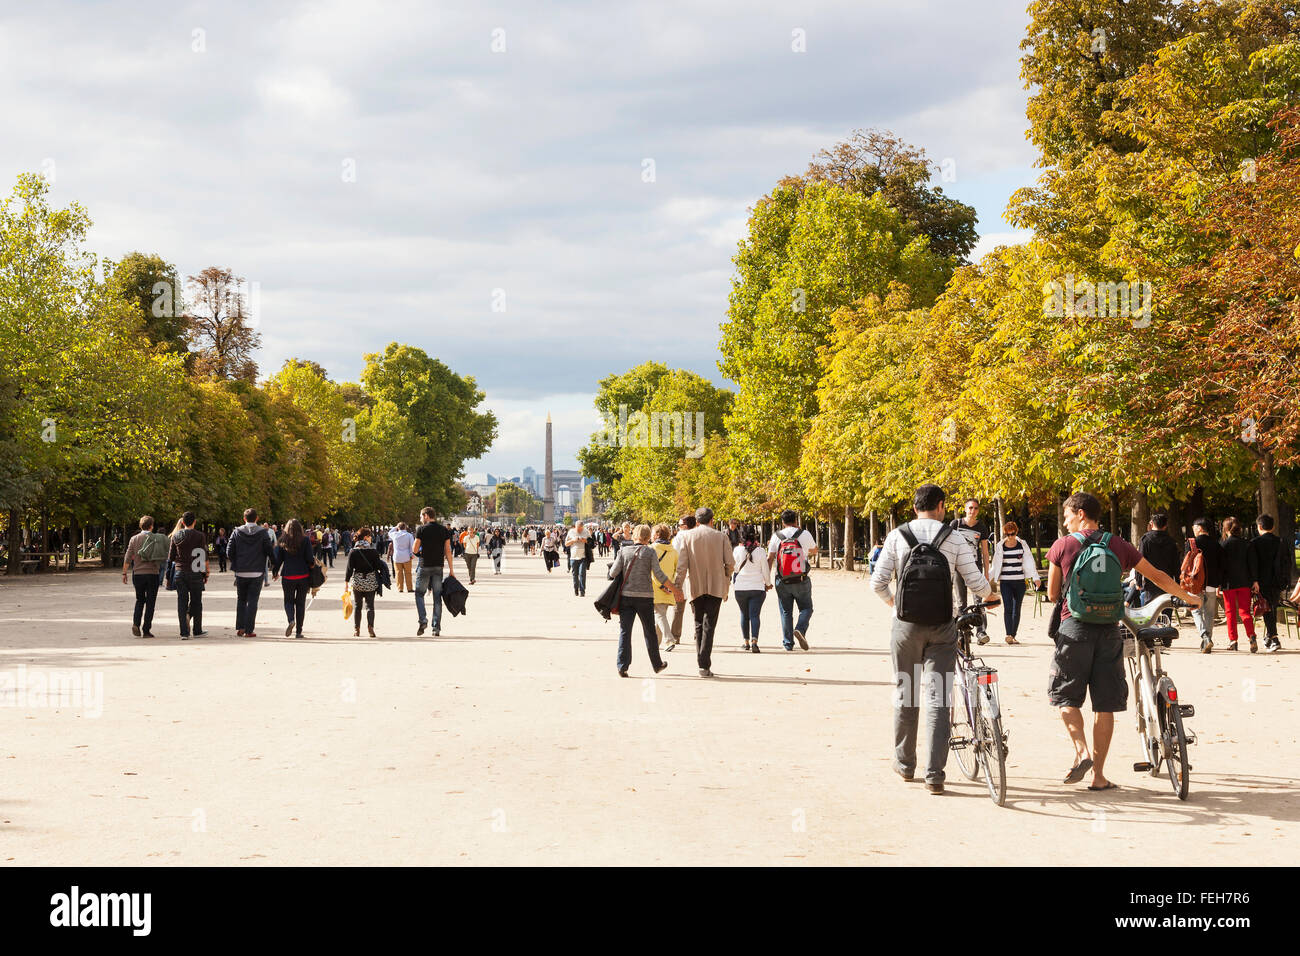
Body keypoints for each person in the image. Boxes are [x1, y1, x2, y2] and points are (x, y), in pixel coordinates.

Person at [1045, 492, 1200, 791]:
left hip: (1074, 629)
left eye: (1067, 516)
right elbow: (1156, 576)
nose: (1065, 522)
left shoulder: (1063, 545)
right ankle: (1099, 776)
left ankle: (1082, 753)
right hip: (1108, 629)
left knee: (1065, 697)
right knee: (1105, 704)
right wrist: (1187, 597)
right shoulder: (1118, 545)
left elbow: (1053, 594)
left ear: (1079, 513)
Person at [870, 484, 994, 795]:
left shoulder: (898, 536)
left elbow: (878, 582)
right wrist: (991, 595)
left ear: (914, 508)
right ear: (941, 506)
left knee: (907, 692)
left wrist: (895, 605)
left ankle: (905, 763)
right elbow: (975, 582)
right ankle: (935, 774)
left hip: (906, 627)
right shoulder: (952, 537)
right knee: (939, 700)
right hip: (942, 626)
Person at [607, 524, 683, 677]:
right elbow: (659, 575)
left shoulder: (623, 551)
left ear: (634, 536)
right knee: (649, 632)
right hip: (645, 597)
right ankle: (657, 664)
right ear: (649, 538)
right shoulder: (650, 552)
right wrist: (675, 590)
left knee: (625, 632)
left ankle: (622, 666)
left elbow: (613, 573)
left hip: (626, 597)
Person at [672, 507, 735, 678]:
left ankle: (702, 662)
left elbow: (682, 566)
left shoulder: (686, 537)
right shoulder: (721, 537)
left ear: (697, 521)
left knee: (698, 623)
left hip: (696, 585)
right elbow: (730, 563)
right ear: (712, 520)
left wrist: (677, 586)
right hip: (716, 586)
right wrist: (726, 578)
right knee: (710, 625)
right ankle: (704, 663)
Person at [767, 510, 818, 651]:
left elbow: (770, 558)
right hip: (801, 578)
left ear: (782, 522)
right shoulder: (805, 534)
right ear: (796, 520)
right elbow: (814, 550)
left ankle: (788, 644)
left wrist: (766, 580)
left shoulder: (776, 536)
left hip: (782, 579)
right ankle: (800, 628)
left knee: (785, 611)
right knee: (807, 608)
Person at [988, 521, 1041, 645]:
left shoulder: (1022, 545)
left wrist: (1035, 577)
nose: (1010, 536)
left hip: (1019, 581)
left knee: (1017, 609)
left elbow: (1029, 562)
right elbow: (995, 565)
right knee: (1008, 608)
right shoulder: (1000, 546)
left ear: (1016, 532)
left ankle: (1013, 635)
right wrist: (986, 578)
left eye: (1012, 534)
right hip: (1006, 582)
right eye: (1008, 534)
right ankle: (1008, 634)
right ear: (1005, 534)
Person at [949, 498, 992, 644]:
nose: (972, 511)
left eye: (975, 508)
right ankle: (962, 633)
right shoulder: (956, 524)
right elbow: (949, 546)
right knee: (961, 602)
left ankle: (981, 632)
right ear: (965, 509)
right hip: (958, 568)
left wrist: (986, 573)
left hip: (974, 568)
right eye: (970, 508)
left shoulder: (981, 527)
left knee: (979, 601)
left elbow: (985, 553)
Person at [227, 507, 275, 638]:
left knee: (241, 600)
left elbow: (229, 551)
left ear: (244, 519)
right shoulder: (263, 532)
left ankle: (240, 627)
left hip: (241, 571)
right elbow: (269, 550)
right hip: (257, 572)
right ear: (257, 518)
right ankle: (249, 630)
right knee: (253, 600)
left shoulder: (236, 532)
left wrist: (236, 563)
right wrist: (274, 565)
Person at [1250, 515, 1291, 652]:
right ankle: (1269, 637)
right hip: (1277, 580)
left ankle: (1274, 638)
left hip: (1261, 581)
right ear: (1273, 527)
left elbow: (1253, 563)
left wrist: (1254, 580)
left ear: (1259, 527)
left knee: (1267, 609)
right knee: (1270, 608)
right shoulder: (1281, 541)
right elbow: (1287, 562)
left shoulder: (1255, 542)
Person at [272, 518, 317, 639]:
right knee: (300, 604)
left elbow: (278, 560)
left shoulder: (282, 540)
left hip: (288, 575)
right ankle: (299, 631)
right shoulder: (305, 540)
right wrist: (313, 565)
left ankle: (291, 619)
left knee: (288, 601)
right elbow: (309, 559)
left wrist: (275, 572)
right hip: (303, 576)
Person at [413, 507, 455, 637]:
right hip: (438, 566)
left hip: (425, 565)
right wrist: (451, 569)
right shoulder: (444, 530)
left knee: (419, 594)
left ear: (426, 515)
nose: (420, 519)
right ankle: (436, 627)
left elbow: (414, 549)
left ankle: (423, 620)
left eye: (421, 516)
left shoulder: (421, 529)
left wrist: (420, 553)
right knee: (437, 597)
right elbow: (448, 551)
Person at [168, 511, 210, 640]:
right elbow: (202, 555)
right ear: (195, 522)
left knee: (182, 601)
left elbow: (171, 557)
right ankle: (197, 629)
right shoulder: (199, 535)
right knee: (197, 601)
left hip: (180, 572)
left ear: (183, 522)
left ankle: (184, 633)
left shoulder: (176, 536)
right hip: (195, 570)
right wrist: (206, 572)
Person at [122, 515, 166, 638]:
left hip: (138, 574)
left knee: (139, 600)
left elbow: (127, 557)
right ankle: (146, 629)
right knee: (151, 602)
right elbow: (163, 556)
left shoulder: (134, 539)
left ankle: (136, 623)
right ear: (152, 526)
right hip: (152, 574)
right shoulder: (157, 539)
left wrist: (124, 572)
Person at [1219, 517, 1257, 652]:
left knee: (1230, 613)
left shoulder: (1223, 545)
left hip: (1229, 583)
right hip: (1245, 582)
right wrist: (1255, 581)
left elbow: (1221, 567)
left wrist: (1219, 584)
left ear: (1226, 528)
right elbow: (1252, 564)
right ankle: (1251, 636)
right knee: (1245, 612)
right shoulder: (1247, 544)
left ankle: (1233, 640)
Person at [732, 524, 771, 653]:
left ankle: (746, 642)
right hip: (757, 588)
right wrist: (768, 583)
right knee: (755, 615)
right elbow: (765, 570)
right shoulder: (760, 551)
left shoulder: (737, 550)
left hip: (741, 588)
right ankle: (755, 641)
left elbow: (735, 569)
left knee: (744, 614)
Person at [1190, 518, 1222, 654]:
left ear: (1200, 528)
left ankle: (1204, 636)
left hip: (1196, 583)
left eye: (1194, 527)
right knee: (1209, 612)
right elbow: (1221, 565)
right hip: (1212, 583)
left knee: (1195, 610)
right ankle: (1207, 640)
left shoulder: (1193, 543)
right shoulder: (1217, 544)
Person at [346, 527, 384, 638]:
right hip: (370, 581)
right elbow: (378, 566)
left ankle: (356, 629)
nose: (371, 538)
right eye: (370, 536)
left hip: (357, 581)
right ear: (366, 537)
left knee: (358, 606)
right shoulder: (373, 551)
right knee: (370, 606)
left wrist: (346, 583)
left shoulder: (353, 551)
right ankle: (370, 628)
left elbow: (349, 568)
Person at [1137, 513, 1182, 604]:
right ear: (1165, 526)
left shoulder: (1145, 539)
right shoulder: (1171, 541)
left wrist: (1138, 581)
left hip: (1150, 579)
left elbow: (1139, 561)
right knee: (1166, 605)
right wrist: (1178, 582)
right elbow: (1176, 564)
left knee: (1150, 610)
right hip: (1168, 580)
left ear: (1152, 524)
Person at [650, 523, 679, 649]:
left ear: (656, 535)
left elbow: (651, 571)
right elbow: (676, 570)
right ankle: (656, 644)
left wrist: (661, 585)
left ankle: (669, 640)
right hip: (669, 587)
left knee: (659, 615)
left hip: (655, 587)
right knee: (660, 615)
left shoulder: (652, 549)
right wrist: (670, 585)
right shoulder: (673, 551)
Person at [668, 515, 696, 646]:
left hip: (681, 575)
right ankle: (698, 633)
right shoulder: (699, 536)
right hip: (696, 575)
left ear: (684, 526)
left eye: (679, 525)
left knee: (678, 608)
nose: (678, 528)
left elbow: (675, 557)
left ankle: (675, 635)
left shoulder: (679, 537)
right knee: (697, 607)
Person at [566, 521, 591, 596]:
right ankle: (576, 589)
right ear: (575, 527)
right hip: (573, 557)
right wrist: (573, 540)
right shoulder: (571, 532)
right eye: (578, 529)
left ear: (582, 527)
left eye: (580, 529)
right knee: (575, 575)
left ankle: (582, 591)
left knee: (582, 574)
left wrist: (585, 540)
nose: (579, 531)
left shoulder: (586, 532)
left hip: (583, 557)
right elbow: (566, 543)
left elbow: (592, 543)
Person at [388, 521, 415, 593]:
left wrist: (395, 527)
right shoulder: (409, 535)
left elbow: (389, 532)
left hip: (397, 557)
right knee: (408, 573)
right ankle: (409, 588)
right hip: (407, 556)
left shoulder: (394, 534)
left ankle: (400, 588)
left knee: (398, 573)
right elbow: (411, 546)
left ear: (398, 528)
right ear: (405, 527)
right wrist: (412, 555)